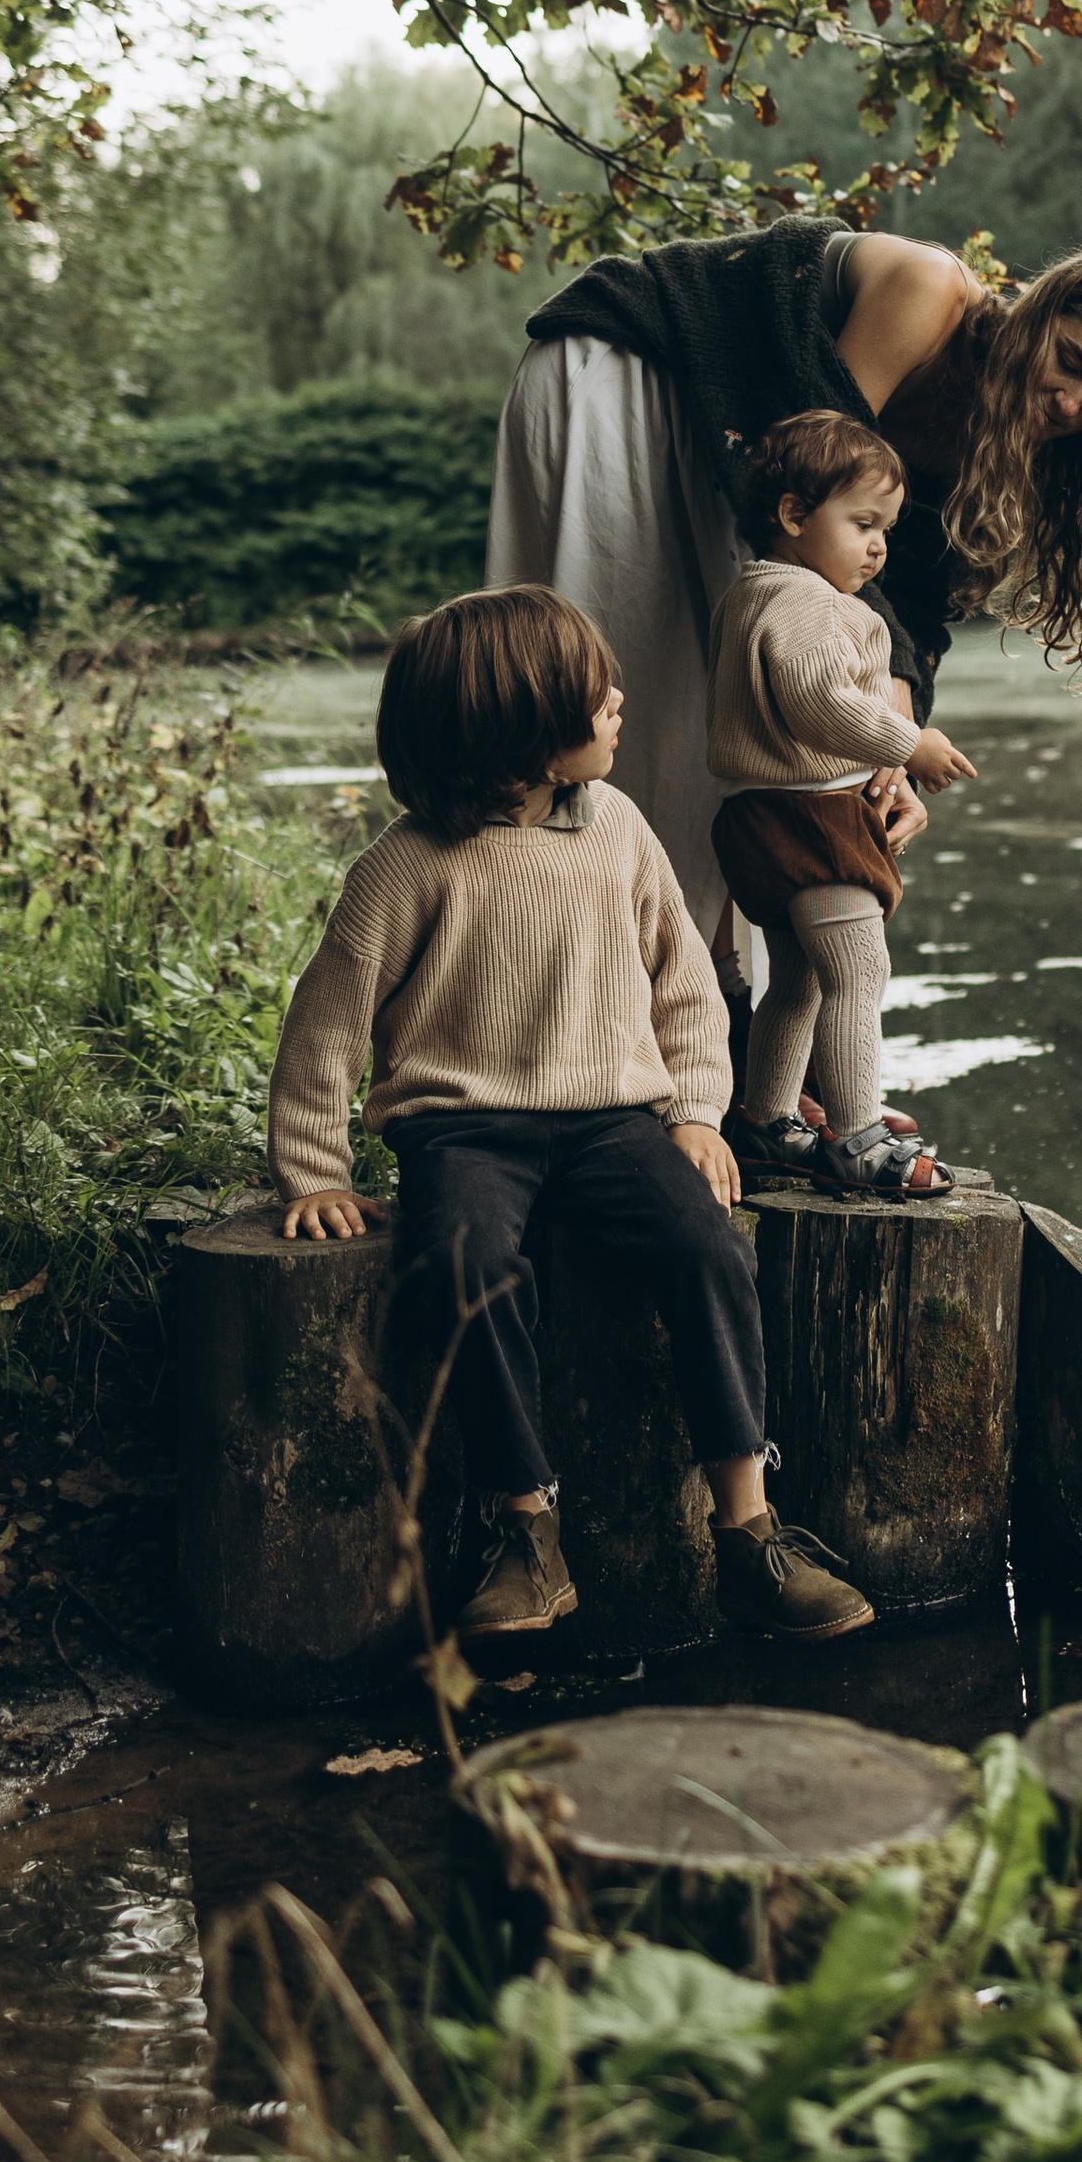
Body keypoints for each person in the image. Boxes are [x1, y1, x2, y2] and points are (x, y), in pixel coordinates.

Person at [264, 585, 873, 1645]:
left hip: (612, 1124)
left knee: (707, 1249)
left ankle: (748, 1526)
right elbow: (326, 1023)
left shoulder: (617, 829)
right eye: (597, 695)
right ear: (520, 728)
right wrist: (313, 1171)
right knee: (464, 1266)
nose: (619, 702)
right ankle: (526, 1529)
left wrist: (696, 1111)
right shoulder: (405, 866)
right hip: (462, 1128)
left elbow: (686, 986)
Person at [484, 229, 1082, 961]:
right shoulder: (929, 292)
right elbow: (804, 487)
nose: (1069, 401)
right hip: (633, 374)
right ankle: (563, 962)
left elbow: (915, 606)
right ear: (1038, 309)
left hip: (735, 456)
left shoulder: (1013, 446)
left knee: (772, 734)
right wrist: (888, 715)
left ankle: (708, 999)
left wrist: (894, 746)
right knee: (626, 704)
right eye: (1070, 361)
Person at [710, 409, 979, 1200]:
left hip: (762, 818)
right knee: (860, 971)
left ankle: (766, 1119)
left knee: (798, 978)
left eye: (885, 528)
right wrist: (908, 740)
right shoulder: (806, 601)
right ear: (794, 515)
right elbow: (819, 703)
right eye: (863, 524)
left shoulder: (753, 593)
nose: (879, 546)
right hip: (811, 819)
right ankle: (857, 1136)